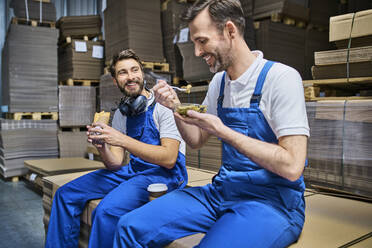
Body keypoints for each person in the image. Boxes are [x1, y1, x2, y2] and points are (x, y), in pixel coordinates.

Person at [112, 0, 310, 247]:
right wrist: (174, 107)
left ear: (230, 31)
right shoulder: (219, 83)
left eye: (202, 41)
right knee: (128, 227)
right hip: (222, 191)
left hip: (271, 203)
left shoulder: (280, 78)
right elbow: (195, 141)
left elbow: (292, 166)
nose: (197, 52)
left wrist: (223, 131)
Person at [44, 49, 187, 248]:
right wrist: (103, 147)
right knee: (65, 195)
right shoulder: (122, 113)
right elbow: (115, 164)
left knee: (105, 212)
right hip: (134, 170)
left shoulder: (163, 105)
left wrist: (121, 139)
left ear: (142, 74)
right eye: (122, 72)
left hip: (164, 174)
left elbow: (169, 158)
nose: (130, 77)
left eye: (134, 70)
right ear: (115, 80)